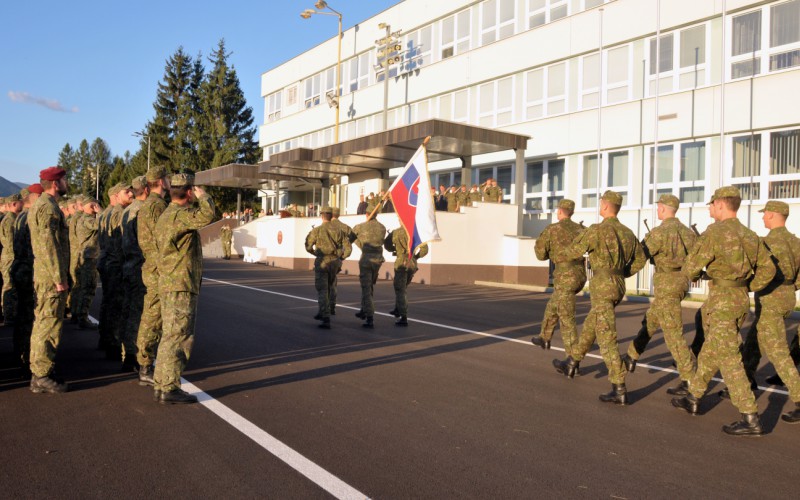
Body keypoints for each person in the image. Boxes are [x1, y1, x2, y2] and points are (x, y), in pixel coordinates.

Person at [671, 186, 775, 436]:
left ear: (720, 204)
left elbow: (691, 267)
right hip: (739, 299)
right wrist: (748, 285)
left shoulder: (714, 232)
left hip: (721, 301)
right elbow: (769, 270)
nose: (709, 208)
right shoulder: (749, 234)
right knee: (712, 350)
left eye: (711, 204)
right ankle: (694, 397)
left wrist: (697, 273)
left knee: (729, 358)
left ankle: (750, 416)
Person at [552, 190, 646, 406]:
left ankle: (619, 386)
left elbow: (575, 250)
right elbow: (641, 259)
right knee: (592, 324)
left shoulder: (597, 230)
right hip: (618, 284)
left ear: (604, 206)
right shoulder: (628, 232)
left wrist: (558, 254)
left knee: (606, 336)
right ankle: (572, 362)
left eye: (600, 203)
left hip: (602, 286)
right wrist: (622, 273)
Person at [718, 200, 800, 424]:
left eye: (765, 214)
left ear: (773, 215)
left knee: (778, 352)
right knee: (755, 338)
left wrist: (749, 286)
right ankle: (746, 381)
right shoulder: (796, 242)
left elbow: (759, 270)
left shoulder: (767, 243)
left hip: (771, 297)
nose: (763, 218)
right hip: (787, 295)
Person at [620, 194, 697, 396]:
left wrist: (624, 273)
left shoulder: (659, 232)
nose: (657, 210)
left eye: (658, 207)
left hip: (666, 284)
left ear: (663, 209)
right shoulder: (688, 233)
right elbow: (697, 258)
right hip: (681, 282)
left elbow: (640, 256)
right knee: (652, 320)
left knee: (673, 334)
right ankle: (631, 355)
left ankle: (690, 379)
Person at [152, 173, 215, 405]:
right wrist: (204, 196)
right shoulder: (180, 215)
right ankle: (169, 386)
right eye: (193, 190)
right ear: (188, 192)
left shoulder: (166, 215)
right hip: (179, 284)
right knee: (179, 336)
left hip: (170, 282)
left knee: (170, 335)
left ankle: (162, 383)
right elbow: (207, 214)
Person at [28, 167, 70, 394]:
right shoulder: (47, 208)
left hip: (46, 275)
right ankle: (41, 374)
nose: (66, 183)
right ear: (55, 183)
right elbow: (48, 245)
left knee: (45, 323)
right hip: (49, 277)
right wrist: (58, 278)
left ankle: (40, 372)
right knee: (48, 324)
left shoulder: (45, 205)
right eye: (64, 179)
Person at [530, 199, 586, 358]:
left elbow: (540, 255)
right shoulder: (582, 229)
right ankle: (544, 337)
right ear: (572, 212)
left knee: (567, 318)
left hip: (565, 276)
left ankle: (572, 359)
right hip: (580, 275)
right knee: (553, 305)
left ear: (559, 211)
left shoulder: (552, 229)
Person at [135, 166, 170, 387]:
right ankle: (145, 365)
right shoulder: (157, 206)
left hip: (153, 266)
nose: (169, 181)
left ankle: (146, 362)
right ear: (160, 181)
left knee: (153, 315)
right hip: (159, 268)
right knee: (153, 317)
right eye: (167, 178)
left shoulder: (151, 205)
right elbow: (163, 238)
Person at [11, 185, 42, 377]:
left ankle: (20, 352)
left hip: (20, 268)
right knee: (28, 315)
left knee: (23, 313)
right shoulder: (30, 218)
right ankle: (26, 356)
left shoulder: (21, 217)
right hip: (27, 269)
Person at [120, 176, 148, 372]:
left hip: (129, 265)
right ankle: (134, 355)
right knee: (139, 314)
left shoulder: (127, 211)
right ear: (146, 190)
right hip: (140, 266)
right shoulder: (142, 211)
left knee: (128, 311)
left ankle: (127, 353)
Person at [305, 206, 350, 329]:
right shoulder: (339, 230)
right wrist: (340, 257)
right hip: (335, 262)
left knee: (323, 290)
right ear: (332, 216)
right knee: (330, 286)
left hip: (323, 262)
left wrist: (315, 253)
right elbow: (348, 249)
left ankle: (325, 317)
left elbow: (308, 246)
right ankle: (324, 311)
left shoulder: (317, 230)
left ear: (322, 215)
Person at [385, 226, 428, 326]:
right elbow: (424, 249)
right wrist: (416, 257)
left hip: (401, 263)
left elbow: (387, 245)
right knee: (402, 287)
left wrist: (395, 249)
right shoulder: (416, 232)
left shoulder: (396, 232)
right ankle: (397, 309)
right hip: (412, 263)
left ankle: (403, 317)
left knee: (400, 289)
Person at [352, 212, 387, 328]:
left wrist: (362, 245)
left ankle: (370, 317)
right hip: (378, 261)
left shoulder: (360, 226)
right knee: (369, 285)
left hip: (367, 260)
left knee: (366, 288)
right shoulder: (382, 227)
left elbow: (351, 237)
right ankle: (364, 310)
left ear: (367, 214)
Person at [72, 196, 101, 330]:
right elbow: (101, 225)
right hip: (89, 258)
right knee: (88, 288)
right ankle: (83, 317)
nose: (94, 207)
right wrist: (100, 211)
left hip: (86, 257)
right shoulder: (87, 220)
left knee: (82, 287)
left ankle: (78, 314)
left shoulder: (83, 219)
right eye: (91, 205)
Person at [0, 193, 23, 326]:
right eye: (21, 202)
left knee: (12, 286)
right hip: (10, 257)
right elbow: (10, 242)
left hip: (11, 256)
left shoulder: (13, 218)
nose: (23, 204)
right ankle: (9, 316)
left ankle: (11, 313)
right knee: (9, 286)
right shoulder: (9, 221)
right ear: (14, 204)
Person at [328, 207, 353, 316]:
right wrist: (343, 254)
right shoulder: (344, 227)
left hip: (326, 257)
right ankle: (332, 305)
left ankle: (325, 306)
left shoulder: (326, 226)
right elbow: (352, 237)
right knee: (333, 283)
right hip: (337, 258)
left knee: (325, 283)